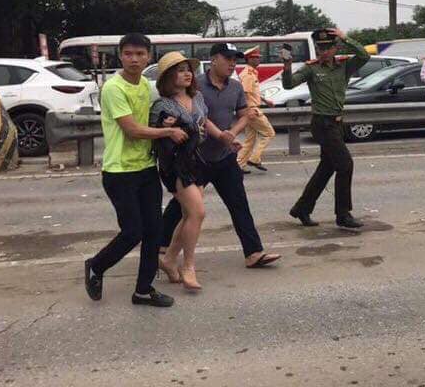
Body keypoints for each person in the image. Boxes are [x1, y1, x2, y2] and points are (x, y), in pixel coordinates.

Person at [84, 33, 187, 308]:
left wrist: (165, 121)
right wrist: (168, 132)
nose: (134, 59)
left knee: (154, 231)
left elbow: (150, 118)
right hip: (119, 172)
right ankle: (96, 266)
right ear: (120, 56)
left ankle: (143, 290)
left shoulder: (145, 85)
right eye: (128, 54)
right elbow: (131, 130)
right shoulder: (113, 88)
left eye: (140, 54)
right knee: (133, 232)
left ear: (148, 57)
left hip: (146, 168)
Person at [161, 43, 281, 269]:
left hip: (224, 157)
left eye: (235, 59)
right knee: (182, 206)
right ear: (214, 59)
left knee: (239, 203)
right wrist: (220, 135)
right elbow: (197, 115)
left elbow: (244, 114)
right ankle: (161, 244)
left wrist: (232, 133)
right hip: (197, 158)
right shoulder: (195, 86)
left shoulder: (235, 87)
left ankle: (254, 252)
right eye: (227, 59)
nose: (232, 63)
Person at [150, 52, 244, 290]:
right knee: (198, 212)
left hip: (196, 160)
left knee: (188, 215)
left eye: (188, 70)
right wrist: (167, 128)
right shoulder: (163, 105)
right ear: (168, 77)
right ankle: (188, 266)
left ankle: (169, 259)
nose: (187, 74)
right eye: (180, 70)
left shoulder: (198, 97)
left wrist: (224, 137)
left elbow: (205, 122)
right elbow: (156, 133)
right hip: (175, 164)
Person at [282, 28, 369, 229]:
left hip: (337, 123)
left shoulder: (344, 66)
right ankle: (343, 214)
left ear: (335, 48)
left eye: (327, 47)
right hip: (322, 124)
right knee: (345, 165)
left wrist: (345, 38)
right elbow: (289, 85)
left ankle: (302, 208)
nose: (323, 51)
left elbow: (364, 56)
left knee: (326, 168)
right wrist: (287, 66)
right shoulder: (311, 68)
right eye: (319, 48)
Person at [236, 46, 276, 173]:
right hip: (252, 110)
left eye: (259, 57)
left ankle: (239, 165)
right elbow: (244, 93)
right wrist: (248, 110)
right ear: (249, 59)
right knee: (269, 133)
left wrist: (265, 101)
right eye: (256, 57)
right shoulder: (248, 75)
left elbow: (252, 92)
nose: (259, 59)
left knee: (250, 140)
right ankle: (254, 159)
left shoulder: (251, 72)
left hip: (251, 109)